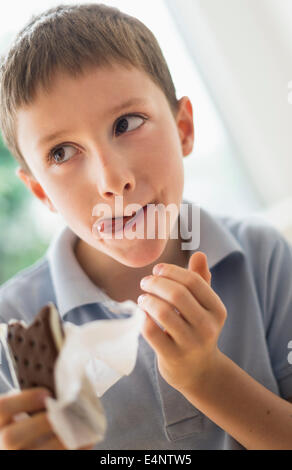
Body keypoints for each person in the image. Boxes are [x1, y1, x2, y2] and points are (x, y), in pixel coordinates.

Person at [0, 3, 292, 451]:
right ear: (40, 192)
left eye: (126, 123)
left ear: (184, 128)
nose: (113, 180)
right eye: (62, 153)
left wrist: (205, 377)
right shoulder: (10, 327)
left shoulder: (263, 259)